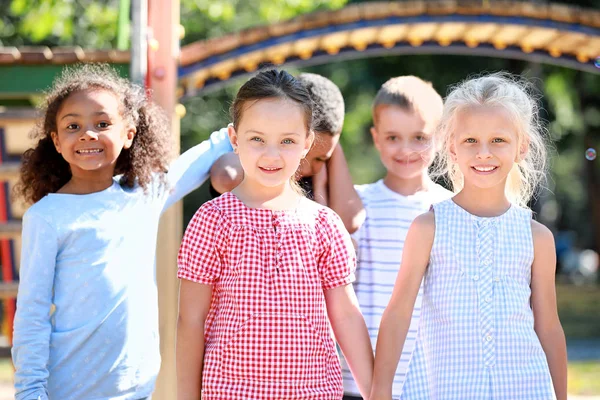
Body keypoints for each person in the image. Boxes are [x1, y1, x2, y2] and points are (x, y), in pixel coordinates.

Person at [11, 63, 232, 400]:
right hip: (67, 389)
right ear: (56, 141)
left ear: (129, 134)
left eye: (102, 123)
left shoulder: (143, 195)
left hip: (136, 387)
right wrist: (29, 392)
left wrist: (247, 133)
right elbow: (32, 311)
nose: (88, 134)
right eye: (73, 126)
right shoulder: (46, 216)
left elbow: (202, 156)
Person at [176, 69, 373, 400]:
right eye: (257, 139)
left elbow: (346, 316)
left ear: (307, 143)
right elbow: (190, 321)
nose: (272, 154)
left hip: (313, 393)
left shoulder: (324, 224)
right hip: (229, 393)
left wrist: (376, 392)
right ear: (235, 139)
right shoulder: (212, 220)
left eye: (287, 141)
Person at [371, 73, 568, 400]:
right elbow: (398, 313)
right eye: (471, 141)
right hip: (444, 388)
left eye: (499, 141)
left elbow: (548, 326)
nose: (484, 153)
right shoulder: (428, 228)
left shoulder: (538, 238)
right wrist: (380, 391)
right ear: (451, 147)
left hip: (524, 388)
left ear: (522, 148)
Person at [340, 76, 453, 400]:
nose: (406, 149)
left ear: (440, 138)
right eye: (393, 137)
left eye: (419, 137)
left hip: (430, 380)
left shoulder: (453, 209)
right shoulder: (355, 205)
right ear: (376, 138)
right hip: (357, 379)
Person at [209, 72, 363, 233]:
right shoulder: (263, 158)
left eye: (320, 158)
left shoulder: (321, 171)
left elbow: (350, 222)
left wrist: (331, 152)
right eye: (288, 142)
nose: (305, 168)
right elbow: (225, 177)